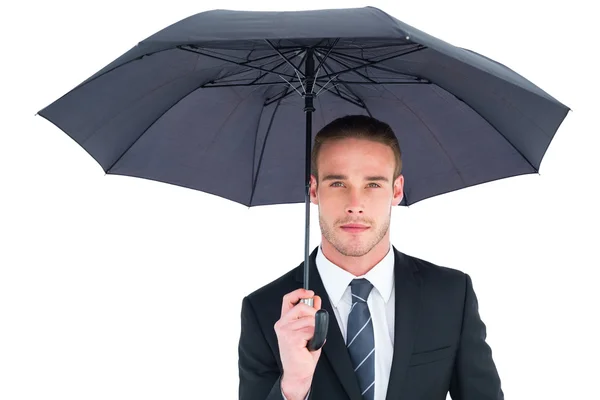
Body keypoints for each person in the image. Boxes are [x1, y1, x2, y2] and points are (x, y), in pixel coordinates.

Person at [238, 115, 504, 400]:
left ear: (396, 190)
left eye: (373, 185)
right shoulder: (266, 311)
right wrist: (294, 385)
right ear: (314, 190)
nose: (355, 205)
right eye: (338, 184)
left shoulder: (451, 294)